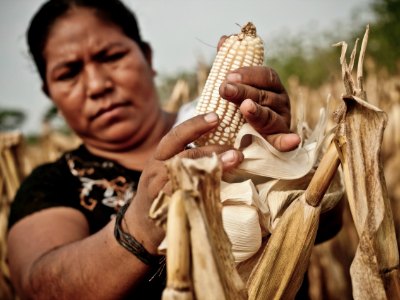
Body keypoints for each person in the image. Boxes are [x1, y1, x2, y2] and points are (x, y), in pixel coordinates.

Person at [6, 0, 340, 299]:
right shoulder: (53, 183)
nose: (97, 85)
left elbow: (326, 225)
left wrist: (280, 159)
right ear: (49, 92)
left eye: (111, 56)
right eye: (69, 73)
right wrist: (140, 226)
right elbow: (38, 287)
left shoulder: (240, 126)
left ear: (148, 57)